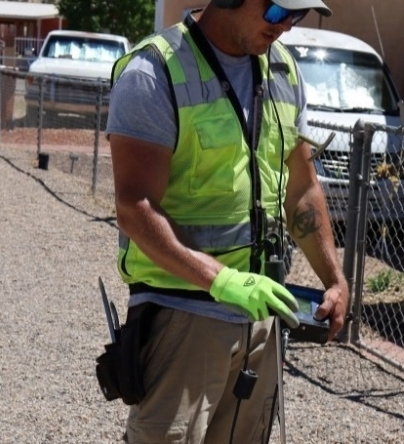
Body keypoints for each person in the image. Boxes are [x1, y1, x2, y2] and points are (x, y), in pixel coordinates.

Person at [105, 0, 349, 442]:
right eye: (278, 12)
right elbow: (134, 207)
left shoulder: (283, 71)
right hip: (183, 315)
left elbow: (302, 190)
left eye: (299, 16)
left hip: (263, 315)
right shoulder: (153, 71)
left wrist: (335, 278)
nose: (286, 28)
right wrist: (220, 281)